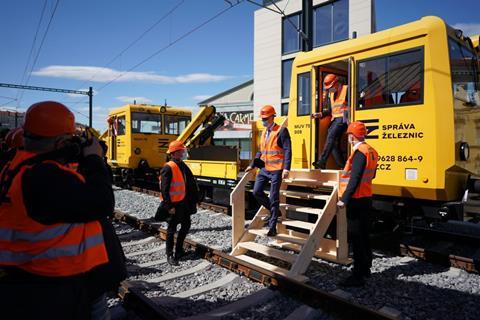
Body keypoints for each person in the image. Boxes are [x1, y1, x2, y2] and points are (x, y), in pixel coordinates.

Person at [0, 101, 116, 319]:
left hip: (29, 273)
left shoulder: (19, 167)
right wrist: (93, 159)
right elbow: (102, 203)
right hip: (51, 280)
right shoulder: (43, 175)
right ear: (62, 141)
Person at [337, 121, 378, 287]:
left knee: (356, 237)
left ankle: (357, 275)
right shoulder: (371, 151)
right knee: (364, 235)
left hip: (356, 199)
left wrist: (344, 199)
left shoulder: (359, 152)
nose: (348, 137)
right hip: (366, 197)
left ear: (352, 136)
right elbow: (372, 175)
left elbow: (355, 178)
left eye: (348, 135)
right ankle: (366, 269)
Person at [246, 105, 292, 237]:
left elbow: (288, 150)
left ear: (273, 117)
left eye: (266, 118)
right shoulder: (264, 132)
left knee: (274, 197)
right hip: (264, 168)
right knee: (256, 192)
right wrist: (253, 164)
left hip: (277, 169)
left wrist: (286, 168)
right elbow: (261, 151)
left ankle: (272, 227)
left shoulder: (281, 131)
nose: (264, 121)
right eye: (262, 119)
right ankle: (274, 212)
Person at [156, 140, 199, 266]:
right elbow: (164, 189)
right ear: (174, 153)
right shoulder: (168, 167)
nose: (183, 153)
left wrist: (194, 200)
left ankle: (179, 250)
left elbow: (190, 183)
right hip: (174, 205)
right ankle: (170, 255)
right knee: (171, 230)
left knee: (186, 226)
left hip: (184, 203)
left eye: (183, 150)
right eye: (181, 151)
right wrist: (169, 206)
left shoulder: (182, 165)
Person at [311, 73, 349, 169]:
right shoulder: (332, 94)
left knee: (331, 138)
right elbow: (332, 109)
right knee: (333, 144)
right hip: (335, 120)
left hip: (344, 119)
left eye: (331, 86)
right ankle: (343, 167)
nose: (330, 89)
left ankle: (322, 161)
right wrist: (321, 114)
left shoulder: (347, 89)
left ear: (337, 83)